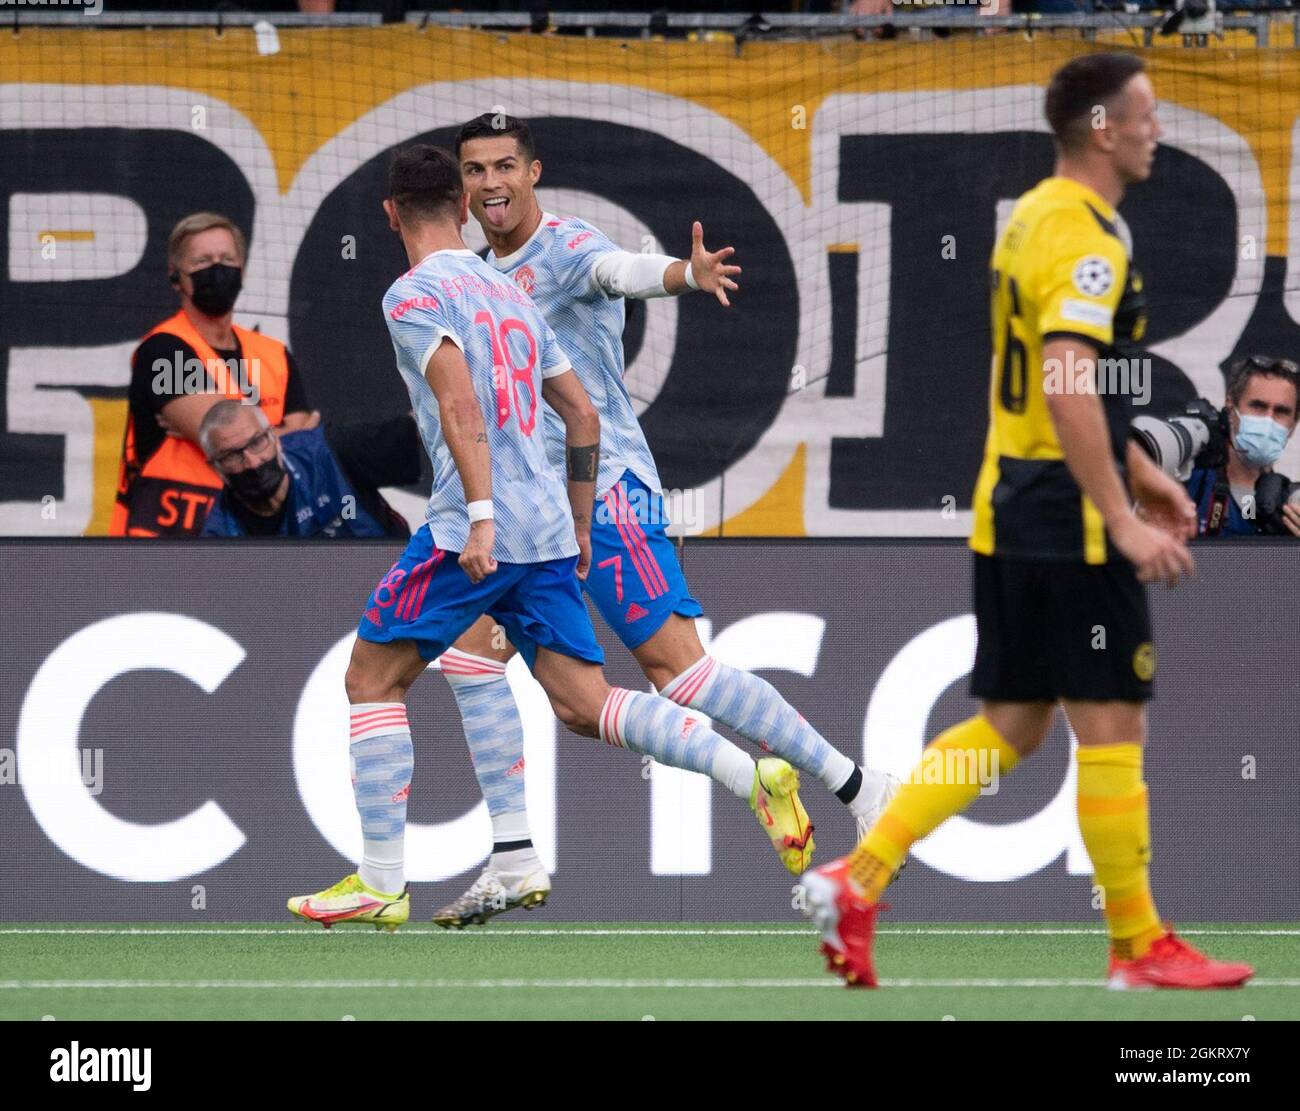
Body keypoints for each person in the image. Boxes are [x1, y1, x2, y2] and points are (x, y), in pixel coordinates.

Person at [801, 53, 1253, 990]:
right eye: (1146, 115)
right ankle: (1137, 944)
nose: (1156, 130)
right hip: (1065, 513)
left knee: (1012, 722)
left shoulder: (1032, 222)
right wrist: (1121, 515)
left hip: (1012, 497)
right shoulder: (1087, 234)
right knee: (1112, 724)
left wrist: (1137, 470)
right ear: (1102, 126)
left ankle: (860, 875)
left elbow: (1052, 391)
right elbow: (1067, 379)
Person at [286, 145, 812, 931]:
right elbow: (583, 412)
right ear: (462, 209)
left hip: (474, 527)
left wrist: (483, 517)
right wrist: (573, 517)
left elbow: (460, 409)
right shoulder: (509, 291)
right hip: (548, 531)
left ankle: (382, 879)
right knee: (581, 702)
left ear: (391, 214)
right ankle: (748, 774)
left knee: (371, 678)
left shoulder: (410, 295)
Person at [427, 114, 899, 929]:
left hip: (607, 495)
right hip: (527, 515)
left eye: (506, 165)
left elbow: (623, 270)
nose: (492, 182)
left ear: (534, 172)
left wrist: (684, 270)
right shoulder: (472, 274)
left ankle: (861, 786)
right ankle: (512, 855)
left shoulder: (569, 248)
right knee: (487, 668)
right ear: (462, 187)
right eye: (475, 170)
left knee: (680, 673)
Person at [110, 212, 315, 537]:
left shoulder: (274, 353)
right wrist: (280, 433)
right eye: (203, 261)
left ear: (243, 270)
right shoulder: (164, 350)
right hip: (168, 537)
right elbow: (227, 437)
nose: (217, 269)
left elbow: (306, 454)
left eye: (227, 258)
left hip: (255, 536)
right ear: (176, 275)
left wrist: (285, 439)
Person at [199, 400, 419, 538]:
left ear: (274, 438)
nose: (253, 463)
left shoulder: (327, 450)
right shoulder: (220, 536)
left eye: (257, 443)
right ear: (216, 468)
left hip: (393, 587)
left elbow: (417, 427)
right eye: (231, 456)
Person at [1183, 356, 1300, 537]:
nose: (1268, 420)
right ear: (1231, 406)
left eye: (1281, 411)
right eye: (1258, 406)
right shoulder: (1186, 484)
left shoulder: (1291, 506)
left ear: (1294, 423)